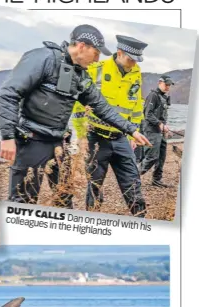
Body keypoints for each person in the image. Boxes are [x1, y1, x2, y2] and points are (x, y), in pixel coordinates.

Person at [0, 24, 150, 208]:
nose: (97, 59)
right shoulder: (43, 58)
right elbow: (8, 94)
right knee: (23, 201)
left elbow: (102, 107)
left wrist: (131, 129)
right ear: (82, 46)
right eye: (96, 53)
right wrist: (7, 137)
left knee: (65, 197)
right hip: (32, 141)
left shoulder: (81, 76)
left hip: (59, 144)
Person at [72, 36, 147, 216]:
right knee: (94, 184)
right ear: (119, 53)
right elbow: (79, 106)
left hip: (121, 138)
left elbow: (136, 108)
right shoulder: (96, 70)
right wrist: (81, 136)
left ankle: (141, 219)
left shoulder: (136, 74)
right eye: (130, 59)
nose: (133, 63)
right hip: (95, 137)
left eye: (136, 60)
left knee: (132, 181)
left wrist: (132, 135)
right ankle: (93, 219)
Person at [139, 75, 175, 188]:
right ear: (160, 83)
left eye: (169, 85)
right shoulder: (153, 95)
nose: (168, 87)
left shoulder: (164, 97)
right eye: (166, 84)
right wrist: (159, 124)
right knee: (152, 157)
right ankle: (132, 177)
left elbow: (162, 115)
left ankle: (156, 180)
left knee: (161, 156)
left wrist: (165, 126)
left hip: (161, 131)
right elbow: (147, 114)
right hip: (151, 130)